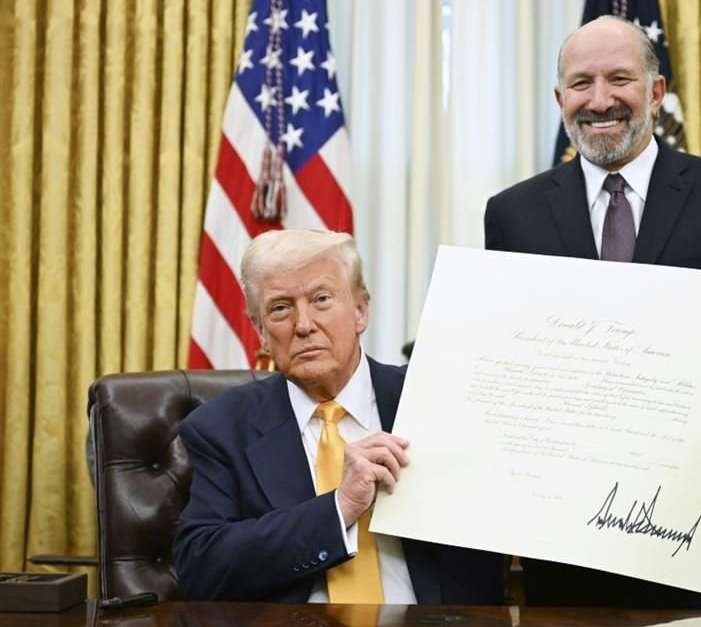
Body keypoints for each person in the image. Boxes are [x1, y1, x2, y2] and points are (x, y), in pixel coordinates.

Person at [484, 15, 701, 610]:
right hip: (564, 544)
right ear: (559, 98)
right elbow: (508, 369)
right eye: (581, 83)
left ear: (656, 91)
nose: (600, 100)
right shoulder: (511, 215)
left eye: (619, 79)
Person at [172, 229, 503, 604]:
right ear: (261, 332)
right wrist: (340, 506)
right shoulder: (221, 427)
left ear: (361, 311)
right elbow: (202, 569)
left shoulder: (439, 403)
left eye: (321, 299)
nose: (304, 325)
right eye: (280, 308)